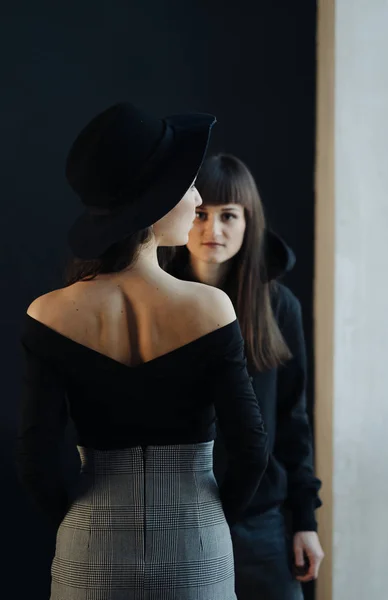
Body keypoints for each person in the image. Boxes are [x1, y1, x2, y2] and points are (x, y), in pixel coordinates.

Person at [16, 105, 269, 600]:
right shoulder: (211, 308)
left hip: (89, 543)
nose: (197, 199)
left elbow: (36, 461)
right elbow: (251, 450)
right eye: (188, 187)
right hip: (197, 540)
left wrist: (80, 516)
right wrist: (213, 515)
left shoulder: (48, 313)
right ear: (153, 203)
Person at [164, 153, 324, 600]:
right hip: (181, 517)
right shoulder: (157, 299)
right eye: (200, 214)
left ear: (249, 221)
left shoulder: (278, 307)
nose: (213, 230)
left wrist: (305, 522)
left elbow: (293, 420)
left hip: (261, 523)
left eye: (228, 216)